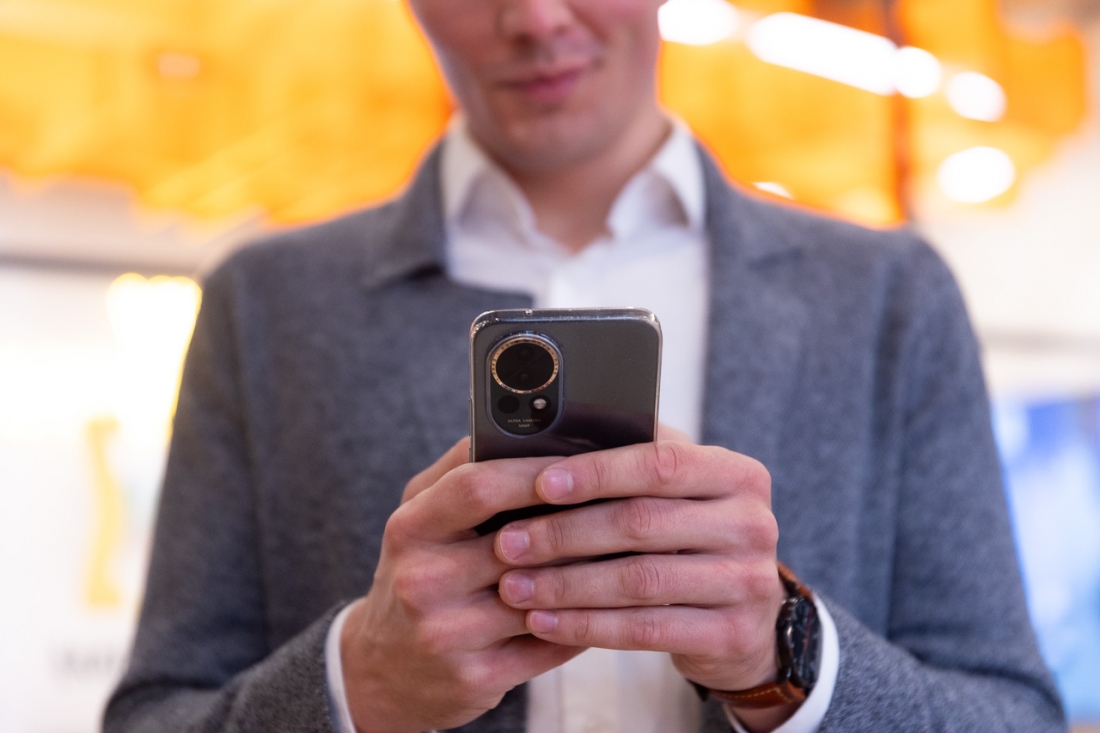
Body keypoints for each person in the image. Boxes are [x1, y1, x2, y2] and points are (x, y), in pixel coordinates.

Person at [105, 1, 1066, 732]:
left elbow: (1012, 713)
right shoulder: (267, 306)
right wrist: (357, 681)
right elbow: (154, 714)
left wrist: (787, 656)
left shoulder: (887, 298)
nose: (533, 18)